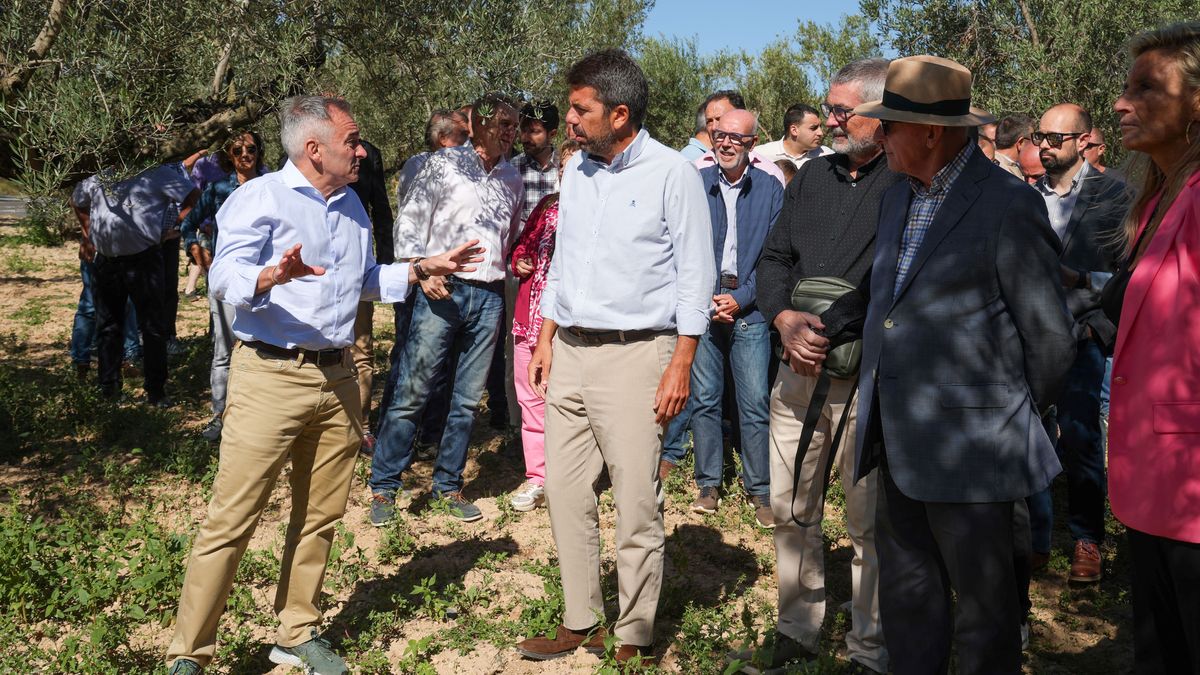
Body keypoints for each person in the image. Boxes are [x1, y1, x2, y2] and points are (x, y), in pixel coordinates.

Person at [164, 95, 482, 675]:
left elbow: (360, 280)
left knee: (320, 515)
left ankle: (296, 630)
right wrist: (271, 275)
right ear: (315, 149)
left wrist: (417, 268)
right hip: (271, 375)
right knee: (231, 519)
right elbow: (226, 276)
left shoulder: (354, 207)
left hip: (340, 376)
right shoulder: (257, 198)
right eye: (353, 141)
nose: (362, 150)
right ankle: (190, 652)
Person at [793, 55, 1075, 673]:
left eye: (888, 125)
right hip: (897, 443)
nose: (878, 136)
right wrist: (831, 320)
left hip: (977, 455)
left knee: (984, 617)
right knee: (910, 602)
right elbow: (885, 291)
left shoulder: (1007, 205)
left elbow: (1051, 340)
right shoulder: (898, 197)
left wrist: (1001, 414)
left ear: (929, 132)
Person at [514, 49, 714, 666]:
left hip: (638, 356)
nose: (568, 119)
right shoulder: (576, 172)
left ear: (619, 114)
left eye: (581, 110)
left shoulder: (670, 174)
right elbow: (567, 262)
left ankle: (633, 633)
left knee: (634, 502)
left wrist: (680, 362)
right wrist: (547, 337)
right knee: (566, 495)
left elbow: (695, 275)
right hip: (570, 350)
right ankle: (581, 620)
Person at [743, 57, 898, 675]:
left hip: (868, 381)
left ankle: (870, 647)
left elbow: (889, 283)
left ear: (881, 116)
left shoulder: (906, 184)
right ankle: (797, 627)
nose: (830, 120)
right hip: (799, 373)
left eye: (843, 111)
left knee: (868, 523)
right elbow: (774, 256)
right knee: (791, 506)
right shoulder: (811, 178)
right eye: (829, 109)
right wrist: (782, 317)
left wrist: (828, 328)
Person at [370, 95, 523, 525]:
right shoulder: (442, 165)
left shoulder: (511, 176)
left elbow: (507, 237)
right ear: (475, 123)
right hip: (441, 290)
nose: (510, 130)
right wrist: (420, 271)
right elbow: (409, 222)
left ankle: (448, 486)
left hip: (489, 296)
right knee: (412, 391)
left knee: (467, 399)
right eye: (502, 123)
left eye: (514, 124)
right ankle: (384, 488)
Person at [1108, 21, 1200, 673]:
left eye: (1147, 88)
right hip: (1152, 482)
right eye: (1125, 85)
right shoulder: (1155, 202)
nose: (1122, 101)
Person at [1027, 104, 1132, 583]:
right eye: (1040, 137)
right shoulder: (1023, 195)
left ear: (1084, 139)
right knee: (1028, 438)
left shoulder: (1116, 196)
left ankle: (1087, 539)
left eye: (1055, 138)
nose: (1045, 146)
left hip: (1083, 336)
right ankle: (1035, 540)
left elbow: (1132, 274)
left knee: (1083, 439)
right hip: (1029, 338)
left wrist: (1091, 303)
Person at [669, 108, 782, 529]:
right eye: (720, 136)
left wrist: (740, 297)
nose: (727, 143)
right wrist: (704, 299)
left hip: (749, 310)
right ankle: (708, 485)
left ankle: (761, 491)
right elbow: (681, 249)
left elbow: (774, 255)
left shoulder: (770, 187)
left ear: (753, 144)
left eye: (737, 138)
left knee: (753, 403)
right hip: (702, 307)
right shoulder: (695, 183)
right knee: (705, 398)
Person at [72, 164, 199, 406]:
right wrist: (88, 234)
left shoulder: (156, 172)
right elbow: (77, 201)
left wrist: (175, 226)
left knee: (152, 328)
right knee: (108, 327)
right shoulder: (99, 173)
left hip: (145, 260)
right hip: (107, 263)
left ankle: (156, 391)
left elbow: (193, 196)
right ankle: (109, 390)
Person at [179, 131, 270, 441]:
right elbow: (188, 224)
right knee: (224, 349)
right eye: (238, 149)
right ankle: (219, 417)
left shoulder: (273, 186)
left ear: (259, 151)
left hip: (266, 281)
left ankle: (257, 418)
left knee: (263, 347)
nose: (245, 153)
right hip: (229, 279)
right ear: (229, 156)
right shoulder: (218, 190)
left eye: (251, 148)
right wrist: (194, 248)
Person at [508, 139, 580, 512]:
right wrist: (519, 260)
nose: (569, 174)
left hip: (572, 329)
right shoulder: (547, 207)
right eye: (563, 169)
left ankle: (572, 479)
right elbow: (521, 246)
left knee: (568, 403)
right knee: (531, 400)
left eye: (577, 166)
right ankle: (538, 477)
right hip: (530, 321)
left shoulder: (598, 212)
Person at [347, 138, 395, 451]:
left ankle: (361, 426)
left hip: (359, 264)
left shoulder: (369, 154)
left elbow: (381, 208)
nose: (359, 153)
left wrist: (387, 264)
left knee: (361, 348)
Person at [695, 90, 787, 185]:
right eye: (709, 121)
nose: (714, 127)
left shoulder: (770, 173)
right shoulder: (696, 170)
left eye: (720, 119)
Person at [757, 103, 833, 168]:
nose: (820, 133)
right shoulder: (760, 155)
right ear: (794, 130)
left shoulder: (828, 156)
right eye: (813, 128)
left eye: (820, 127)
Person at [995, 113, 1034, 179]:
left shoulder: (988, 162)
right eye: (1032, 140)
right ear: (1021, 143)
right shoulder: (1002, 173)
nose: (1034, 145)